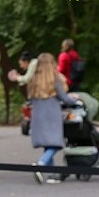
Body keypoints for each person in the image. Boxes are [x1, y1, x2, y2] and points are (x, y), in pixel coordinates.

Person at [26, 52, 82, 184]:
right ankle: (41, 163)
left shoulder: (33, 81)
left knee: (48, 144)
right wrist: (75, 99)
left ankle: (52, 174)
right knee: (56, 144)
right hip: (52, 115)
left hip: (38, 116)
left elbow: (29, 99)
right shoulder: (54, 79)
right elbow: (65, 98)